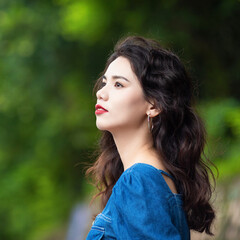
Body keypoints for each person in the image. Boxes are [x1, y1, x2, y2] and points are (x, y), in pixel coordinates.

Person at [85, 36, 217, 240]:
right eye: (104, 83)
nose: (101, 93)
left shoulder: (139, 181)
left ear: (153, 105)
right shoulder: (155, 177)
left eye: (118, 84)